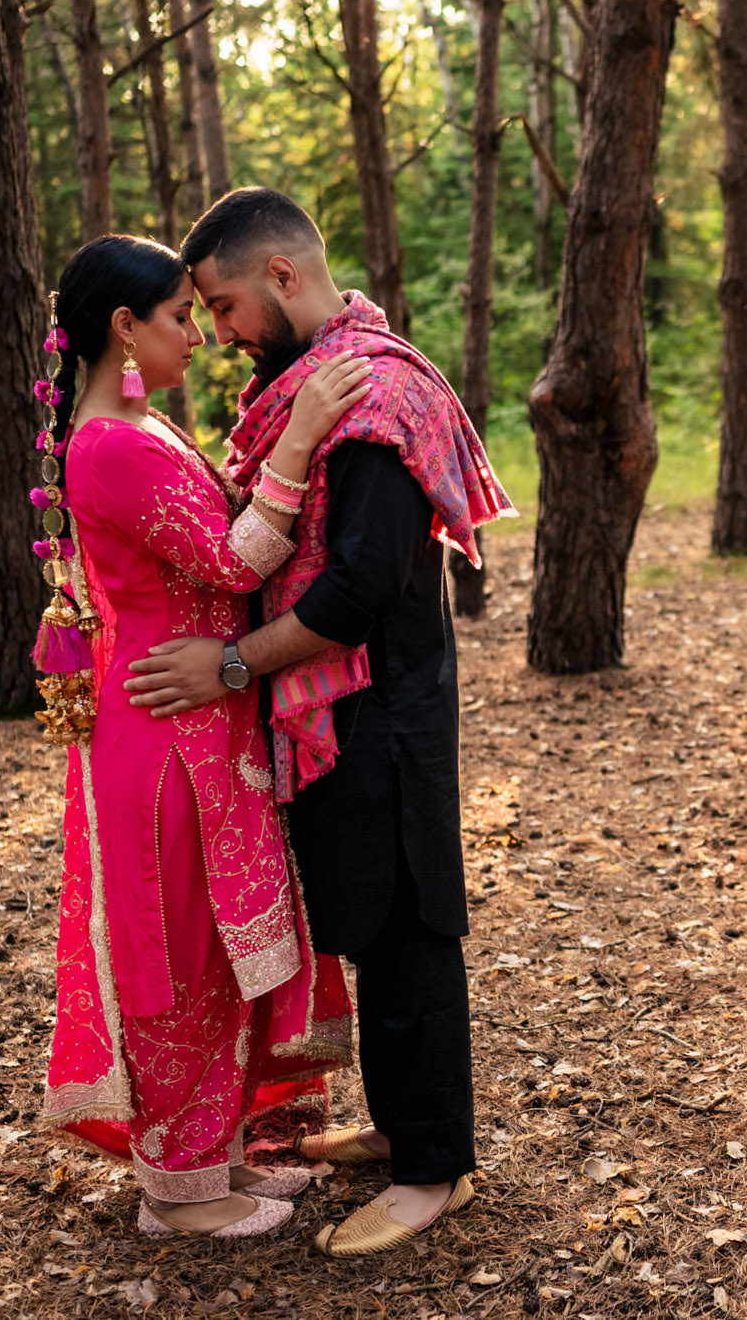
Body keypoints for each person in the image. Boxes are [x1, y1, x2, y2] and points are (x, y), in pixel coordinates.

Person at [121, 189, 514, 1258]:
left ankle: (437, 1171)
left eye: (227, 303)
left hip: (381, 708)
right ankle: (402, 1127)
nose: (221, 330)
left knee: (410, 932)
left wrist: (232, 663)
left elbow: (363, 586)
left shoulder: (367, 397)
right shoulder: (313, 385)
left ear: (283, 279)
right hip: (343, 709)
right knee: (370, 921)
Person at [31, 234, 373, 1240]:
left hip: (196, 726)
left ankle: (217, 1154)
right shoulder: (113, 443)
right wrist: (303, 431)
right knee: (177, 950)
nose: (198, 333)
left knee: (219, 948)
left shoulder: (140, 425)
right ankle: (180, 1193)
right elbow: (235, 561)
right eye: (182, 316)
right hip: (164, 741)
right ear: (123, 328)